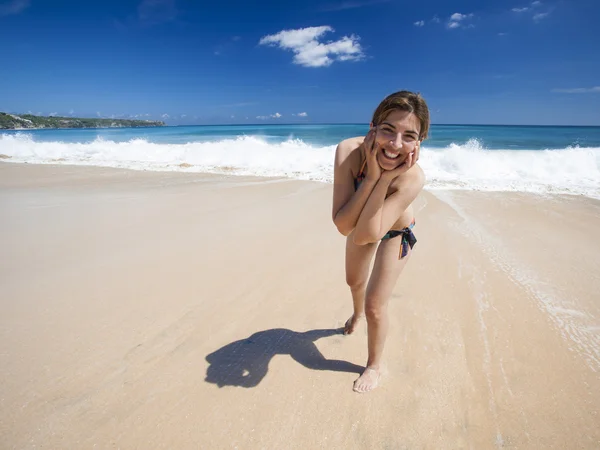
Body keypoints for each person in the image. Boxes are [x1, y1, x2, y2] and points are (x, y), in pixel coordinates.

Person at [331, 90, 430, 393]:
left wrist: (383, 178)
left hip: (395, 234)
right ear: (373, 126)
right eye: (388, 129)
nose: (396, 144)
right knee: (353, 282)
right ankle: (355, 312)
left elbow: (367, 234)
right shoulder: (348, 151)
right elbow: (343, 225)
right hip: (362, 225)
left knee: (376, 304)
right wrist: (372, 176)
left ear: (419, 142)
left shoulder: (412, 178)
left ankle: (374, 365)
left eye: (408, 136)